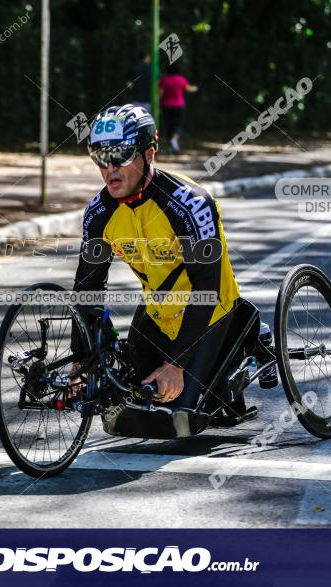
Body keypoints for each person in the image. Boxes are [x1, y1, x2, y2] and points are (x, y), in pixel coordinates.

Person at [70, 104, 267, 422]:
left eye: (120, 155)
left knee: (182, 417)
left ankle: (252, 343)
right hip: (158, 314)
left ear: (149, 153)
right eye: (100, 157)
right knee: (123, 401)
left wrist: (175, 364)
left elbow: (206, 287)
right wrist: (79, 359)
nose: (110, 168)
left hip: (211, 312)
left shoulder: (189, 204)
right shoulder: (99, 213)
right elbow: (87, 287)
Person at [158, 63, 198, 154]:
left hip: (166, 105)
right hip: (179, 106)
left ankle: (170, 146)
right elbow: (189, 89)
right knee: (177, 125)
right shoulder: (181, 79)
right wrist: (195, 88)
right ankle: (174, 141)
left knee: (168, 125)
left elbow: (160, 93)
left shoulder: (164, 80)